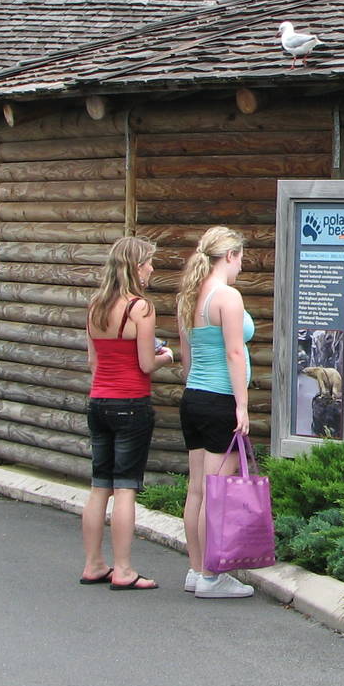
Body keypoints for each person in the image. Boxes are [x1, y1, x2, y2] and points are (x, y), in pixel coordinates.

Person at [82, 236, 175, 590]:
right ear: (136, 267)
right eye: (149, 263)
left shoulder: (95, 306)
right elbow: (146, 363)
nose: (152, 268)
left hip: (99, 402)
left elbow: (93, 362)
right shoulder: (140, 308)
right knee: (125, 488)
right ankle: (122, 569)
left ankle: (93, 564)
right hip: (131, 403)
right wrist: (167, 356)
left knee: (98, 486)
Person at [177, 226, 256, 600]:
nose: (241, 266)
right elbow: (234, 353)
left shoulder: (190, 295)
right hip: (219, 399)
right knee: (216, 491)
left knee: (196, 489)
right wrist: (241, 404)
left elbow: (187, 356)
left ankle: (196, 569)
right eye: (241, 258)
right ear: (229, 256)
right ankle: (212, 575)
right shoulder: (228, 296)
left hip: (193, 396)